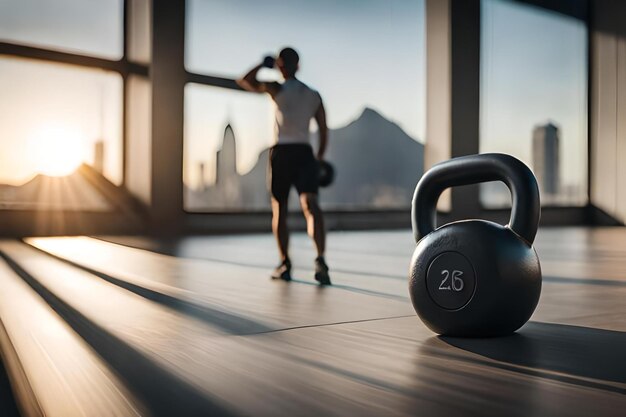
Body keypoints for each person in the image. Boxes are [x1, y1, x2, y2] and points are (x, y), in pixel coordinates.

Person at [238, 47, 331, 285]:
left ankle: (285, 264)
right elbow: (323, 128)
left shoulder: (276, 88)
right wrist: (319, 157)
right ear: (298, 65)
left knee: (279, 208)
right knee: (311, 205)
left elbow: (244, 81)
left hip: (282, 152)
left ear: (281, 65)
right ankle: (320, 260)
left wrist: (262, 64)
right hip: (304, 153)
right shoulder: (313, 94)